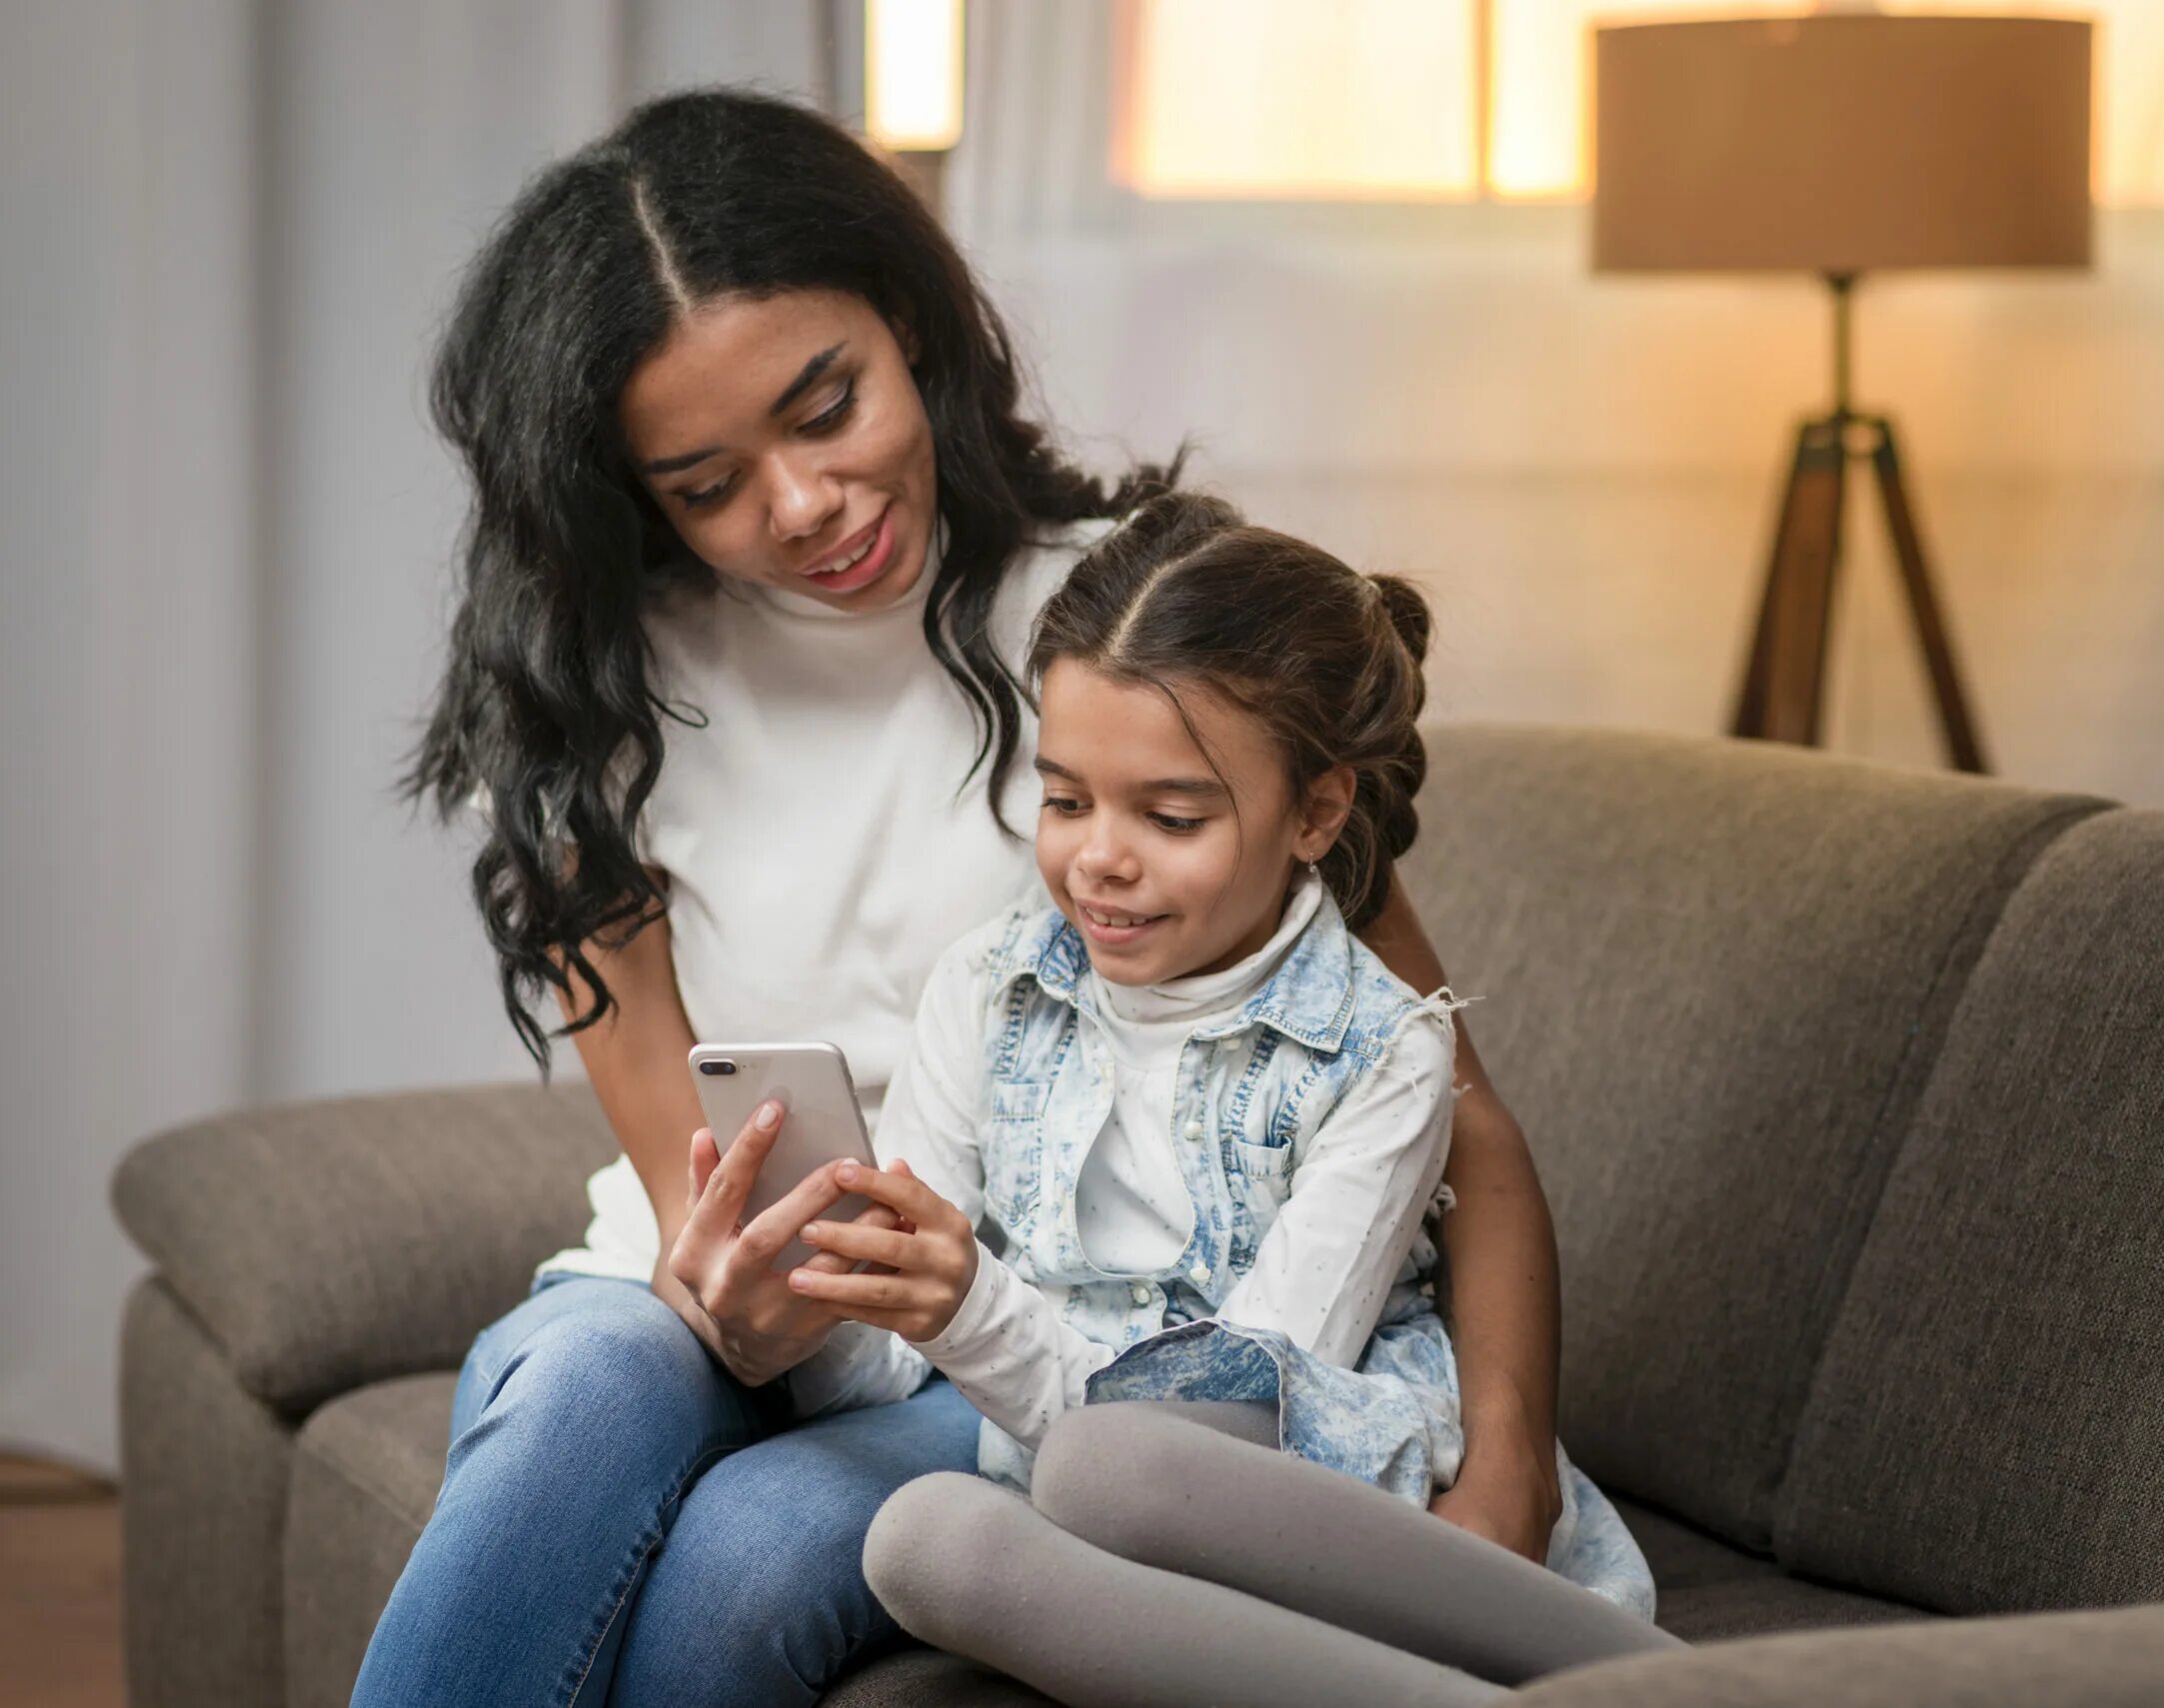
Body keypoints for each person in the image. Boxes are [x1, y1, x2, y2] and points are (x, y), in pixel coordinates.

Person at [354, 89, 1574, 1708]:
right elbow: (682, 1177)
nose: (801, 503)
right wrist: (729, 1288)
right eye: (708, 481)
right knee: (583, 1381)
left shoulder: (1132, 624)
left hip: (1037, 1331)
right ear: (632, 494)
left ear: (912, 326)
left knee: (743, 1557)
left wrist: (1511, 1472)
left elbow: (1446, 1102)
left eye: (827, 404)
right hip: (738, 1302)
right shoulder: (603, 700)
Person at [781, 493, 1671, 1707]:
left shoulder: (1385, 1051)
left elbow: (1245, 1401)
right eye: (1064, 798)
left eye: (1172, 815)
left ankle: (1629, 1678)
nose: (1099, 855)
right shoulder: (987, 990)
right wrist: (793, 1306)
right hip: (1071, 1459)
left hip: (1287, 1474)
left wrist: (972, 1306)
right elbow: (884, 1357)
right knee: (926, 1541)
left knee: (1113, 1464)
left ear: (1315, 813)